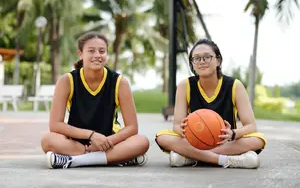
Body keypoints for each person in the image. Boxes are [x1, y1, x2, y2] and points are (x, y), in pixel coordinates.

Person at [41, 31, 149, 169]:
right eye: (91, 51)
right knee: (47, 140)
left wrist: (106, 141)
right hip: (76, 143)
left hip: (109, 142)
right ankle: (116, 158)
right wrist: (92, 136)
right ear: (80, 54)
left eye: (102, 51)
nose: (97, 55)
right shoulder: (67, 81)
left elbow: (132, 127)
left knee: (142, 142)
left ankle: (73, 161)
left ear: (106, 54)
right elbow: (55, 125)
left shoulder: (119, 82)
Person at [155, 39, 266, 169]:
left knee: (259, 139)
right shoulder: (185, 85)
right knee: (162, 136)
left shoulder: (235, 85)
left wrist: (234, 133)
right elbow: (176, 125)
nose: (201, 61)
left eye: (207, 57)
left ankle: (189, 157)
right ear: (192, 63)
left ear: (218, 60)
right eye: (196, 58)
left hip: (225, 142)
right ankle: (227, 160)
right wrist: (182, 129)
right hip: (196, 141)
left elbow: (251, 126)